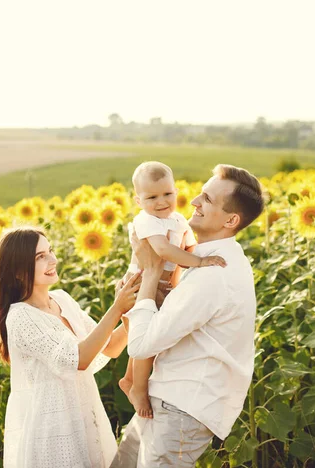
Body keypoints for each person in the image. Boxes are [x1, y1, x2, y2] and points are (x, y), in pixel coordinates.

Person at [111, 164, 266, 468]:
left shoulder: (213, 273)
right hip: (168, 398)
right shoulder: (218, 261)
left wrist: (153, 272)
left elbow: (142, 345)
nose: (194, 201)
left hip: (182, 408)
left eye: (207, 199)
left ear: (231, 219)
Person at [0, 226, 141, 468]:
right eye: (40, 257)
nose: (53, 260)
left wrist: (137, 308)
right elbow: (78, 359)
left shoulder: (62, 299)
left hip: (87, 419)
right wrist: (117, 308)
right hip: (54, 432)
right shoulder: (20, 317)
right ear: (17, 270)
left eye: (50, 251)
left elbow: (109, 346)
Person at [118, 161, 226, 419]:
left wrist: (204, 254)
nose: (161, 202)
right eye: (152, 197)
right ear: (138, 201)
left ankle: (129, 379)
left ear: (176, 192)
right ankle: (139, 390)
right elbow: (164, 251)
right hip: (141, 286)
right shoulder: (146, 221)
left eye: (167, 194)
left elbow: (189, 246)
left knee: (149, 337)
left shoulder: (178, 220)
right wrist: (200, 262)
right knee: (147, 340)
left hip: (162, 287)